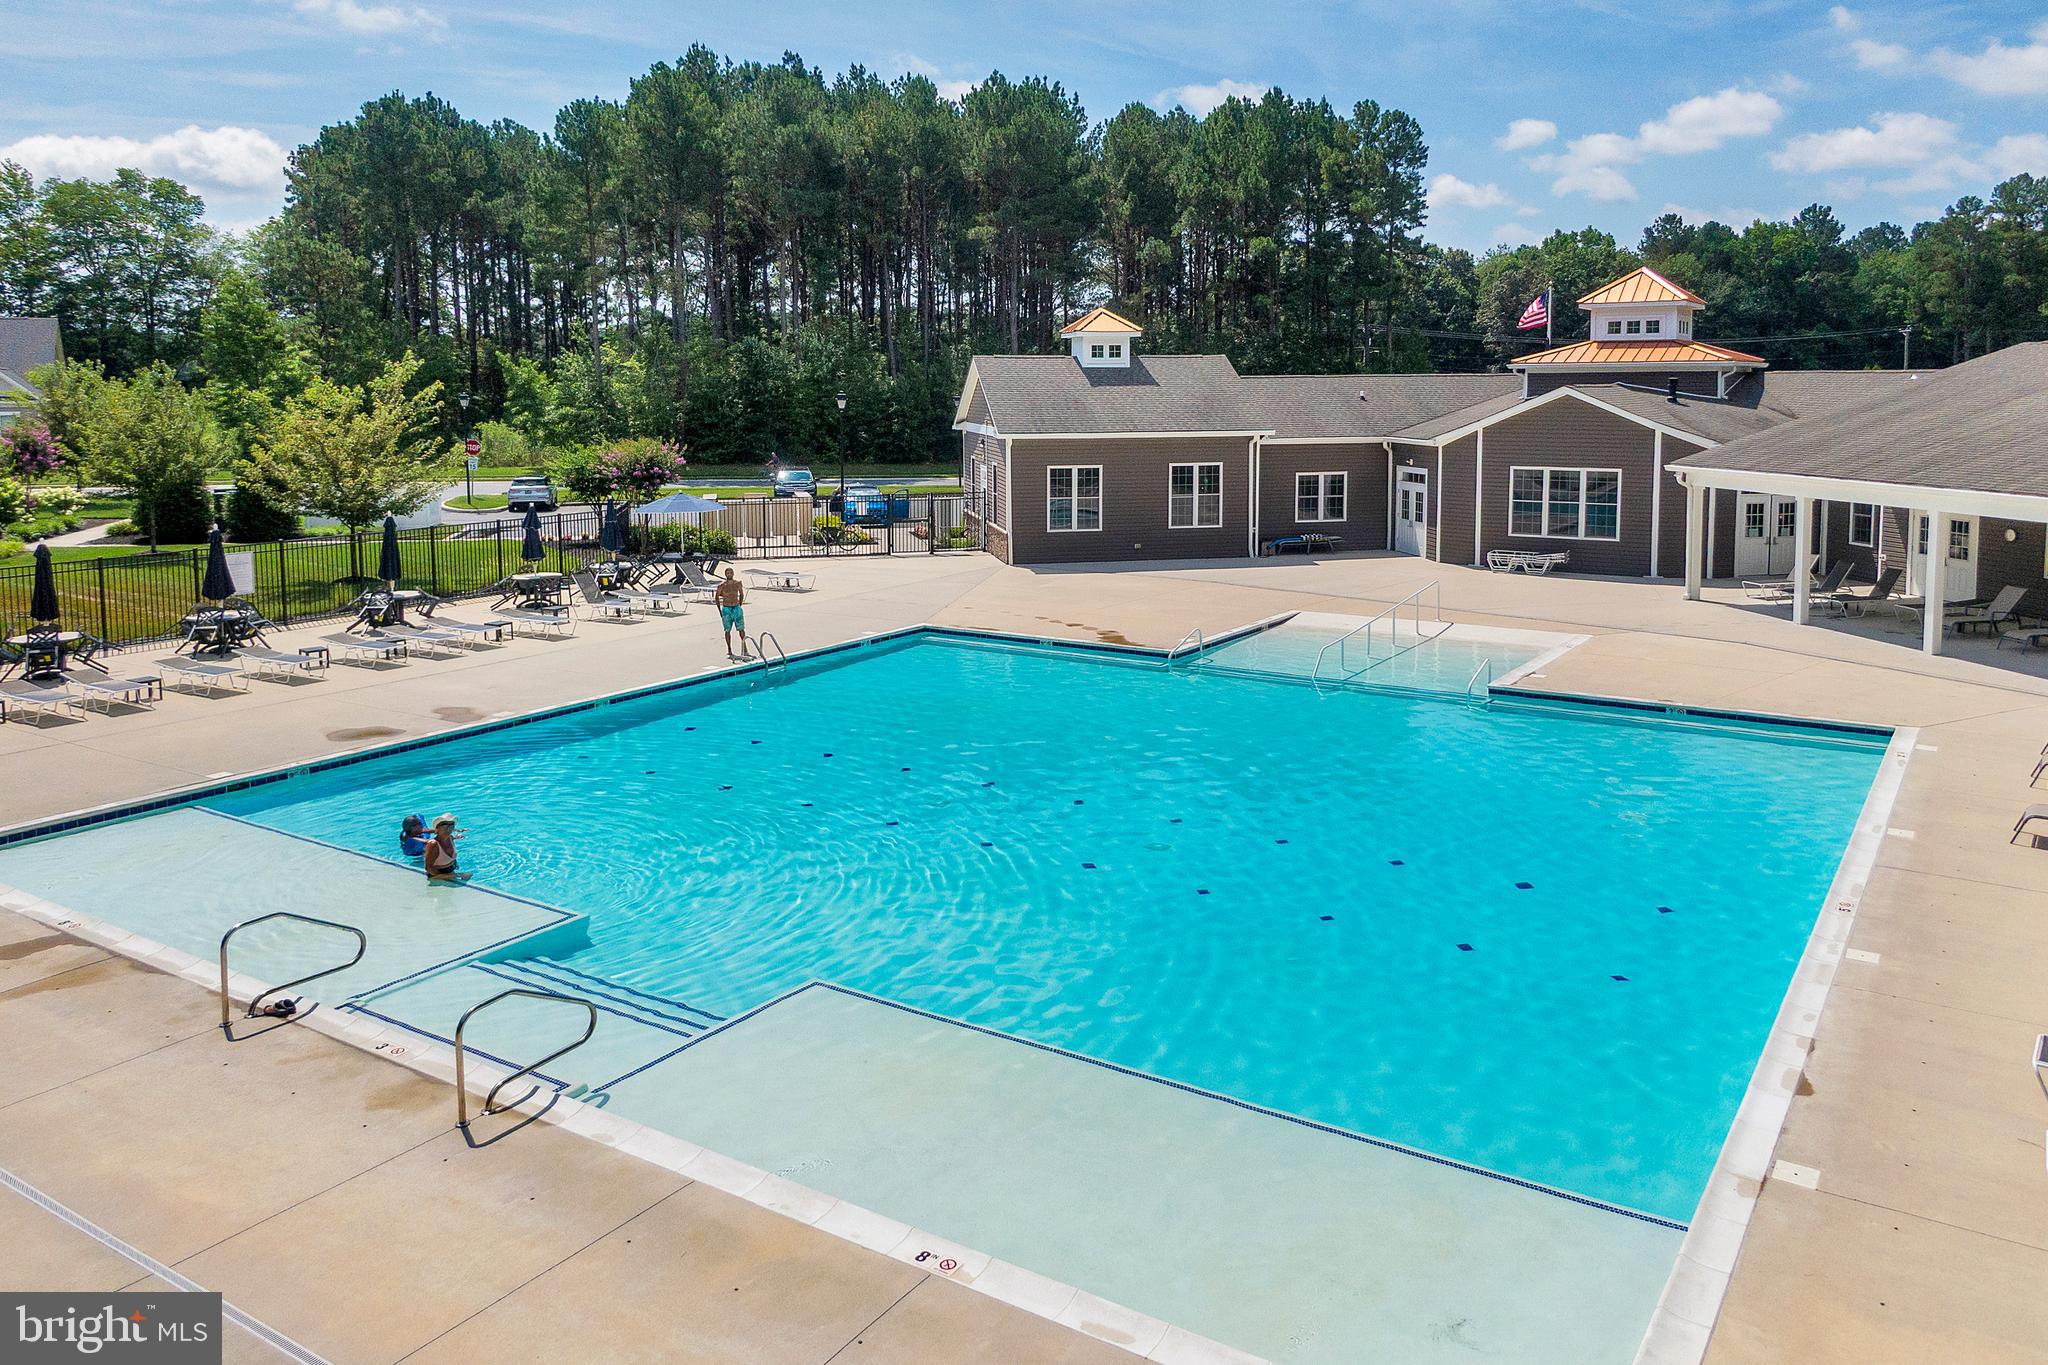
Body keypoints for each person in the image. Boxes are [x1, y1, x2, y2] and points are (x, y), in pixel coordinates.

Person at [713, 566, 750, 661]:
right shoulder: (722, 585)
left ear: (733, 573)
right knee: (727, 630)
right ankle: (729, 649)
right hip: (726, 608)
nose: (729, 574)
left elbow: (741, 594)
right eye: (727, 573)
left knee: (741, 629)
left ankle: (744, 648)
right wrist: (720, 610)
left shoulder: (738, 583)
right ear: (725, 574)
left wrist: (739, 605)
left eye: (731, 572)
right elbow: (716, 597)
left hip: (736, 607)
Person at [424, 813, 470, 884]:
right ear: (437, 829)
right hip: (438, 877)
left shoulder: (450, 838)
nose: (449, 828)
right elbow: (429, 869)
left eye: (452, 825)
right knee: (468, 875)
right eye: (445, 825)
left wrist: (454, 865)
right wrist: (457, 875)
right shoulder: (433, 844)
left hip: (450, 872)